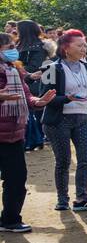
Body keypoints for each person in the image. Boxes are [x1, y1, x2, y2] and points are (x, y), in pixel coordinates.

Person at [41, 30, 87, 212]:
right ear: (65, 48)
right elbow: (44, 97)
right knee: (63, 161)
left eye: (85, 45)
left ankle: (82, 198)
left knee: (85, 159)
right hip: (58, 120)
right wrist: (67, 98)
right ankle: (62, 200)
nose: (83, 48)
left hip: (83, 118)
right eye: (79, 45)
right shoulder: (51, 68)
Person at [0, 32, 56, 231]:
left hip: (14, 134)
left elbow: (26, 95)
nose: (14, 51)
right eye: (9, 48)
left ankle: (10, 219)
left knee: (16, 178)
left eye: (13, 47)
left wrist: (39, 102)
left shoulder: (15, 69)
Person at [15, 20, 49, 152]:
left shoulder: (37, 47)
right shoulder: (19, 46)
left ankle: (35, 139)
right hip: (27, 82)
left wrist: (19, 71)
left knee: (34, 113)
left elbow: (35, 67)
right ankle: (35, 139)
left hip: (34, 83)